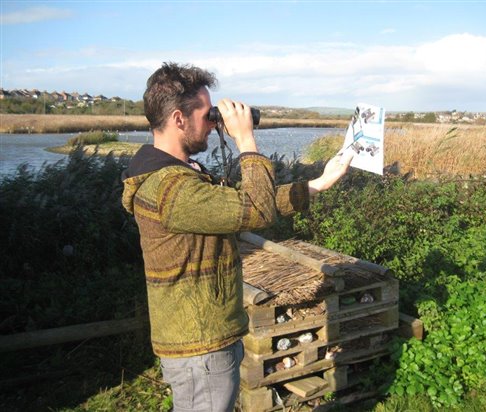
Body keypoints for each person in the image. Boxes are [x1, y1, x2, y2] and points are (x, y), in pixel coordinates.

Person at [121, 62, 352, 412]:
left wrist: (318, 184)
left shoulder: (175, 176)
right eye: (208, 114)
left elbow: (242, 204)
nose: (215, 123)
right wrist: (245, 139)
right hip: (200, 344)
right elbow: (255, 210)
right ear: (179, 119)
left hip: (202, 336)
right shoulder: (171, 189)